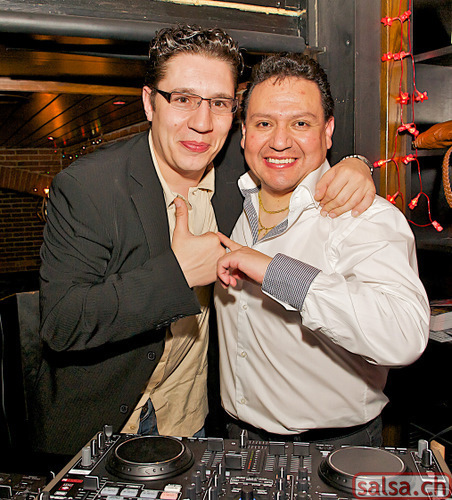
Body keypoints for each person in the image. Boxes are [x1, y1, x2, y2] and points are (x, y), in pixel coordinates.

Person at [32, 26, 375, 458]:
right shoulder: (89, 187)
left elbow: (298, 149)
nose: (201, 122)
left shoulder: (239, 170)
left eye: (219, 103)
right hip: (103, 424)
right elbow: (61, 322)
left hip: (193, 420)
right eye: (183, 99)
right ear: (149, 103)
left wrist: (355, 165)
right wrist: (176, 275)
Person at [215, 53, 430, 447]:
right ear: (243, 133)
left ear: (328, 131)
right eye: (264, 124)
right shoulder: (233, 202)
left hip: (333, 449)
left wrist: (278, 274)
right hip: (238, 441)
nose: (280, 141)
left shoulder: (363, 215)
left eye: (301, 123)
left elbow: (405, 336)